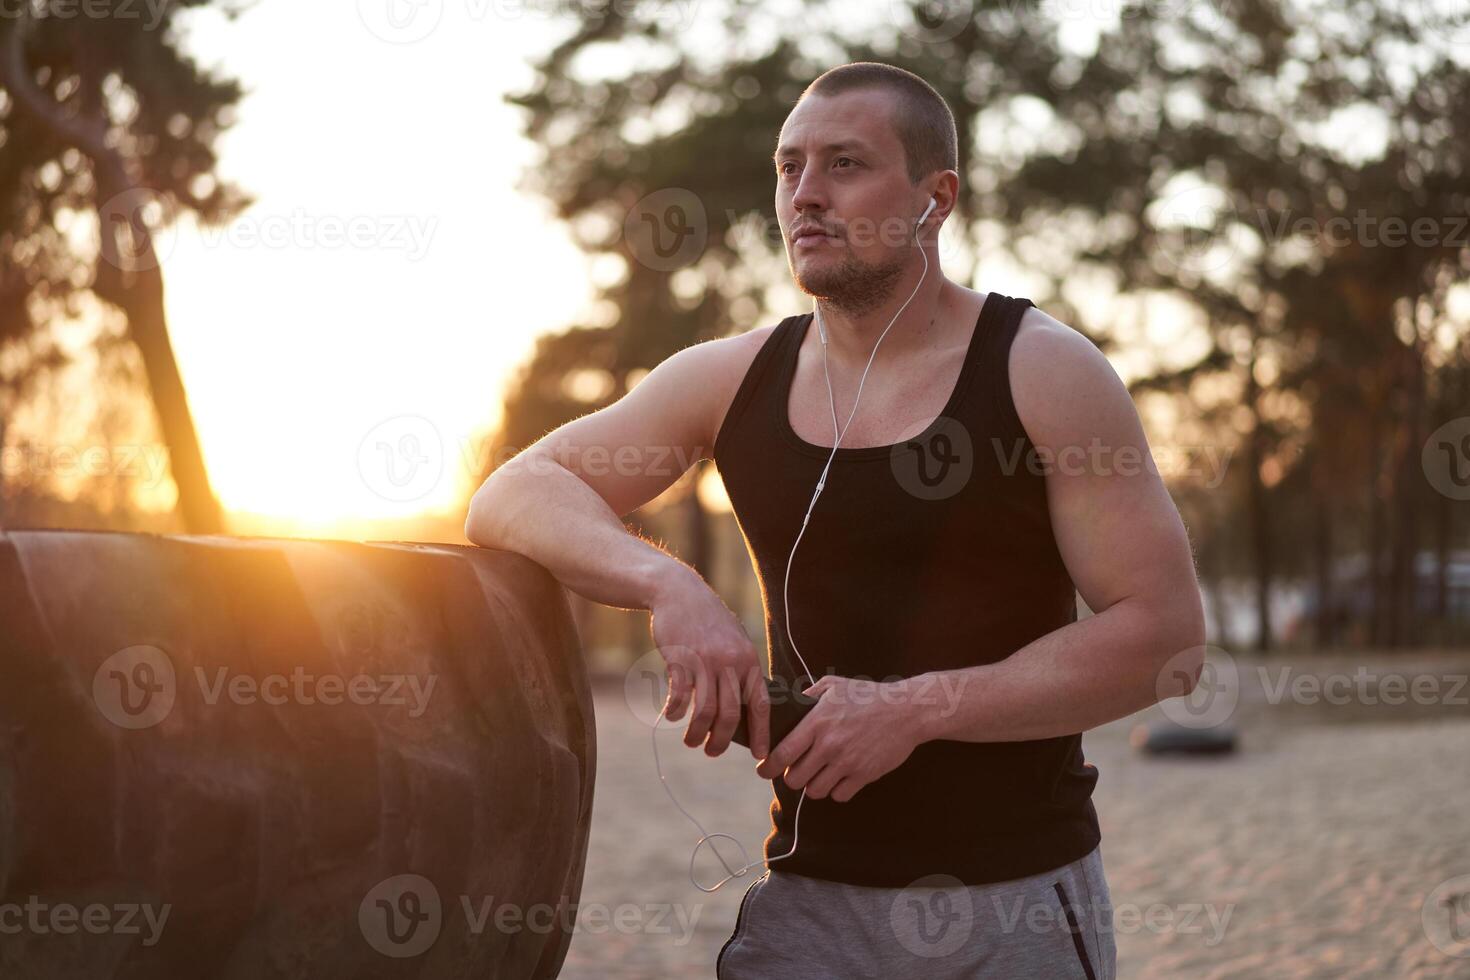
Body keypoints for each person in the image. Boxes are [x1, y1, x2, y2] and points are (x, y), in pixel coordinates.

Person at [465, 60, 1205, 979]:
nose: (805, 196)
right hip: (808, 902)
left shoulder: (1043, 371)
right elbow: (514, 492)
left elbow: (1165, 637)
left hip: (1013, 902)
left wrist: (913, 711)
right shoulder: (732, 377)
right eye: (789, 168)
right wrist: (670, 585)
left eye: (845, 164)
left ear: (936, 200)